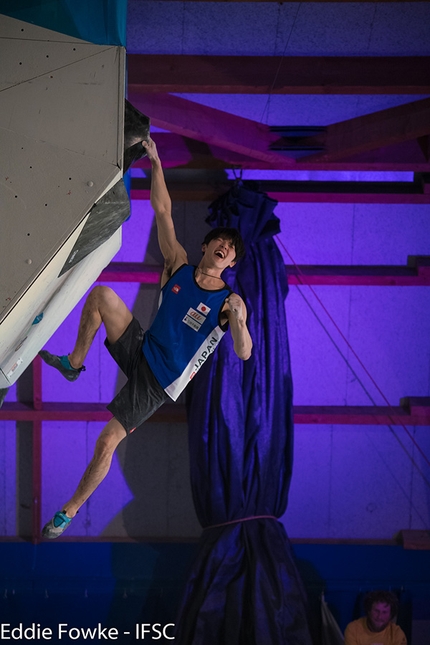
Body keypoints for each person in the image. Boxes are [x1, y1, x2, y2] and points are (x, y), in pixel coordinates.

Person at [40, 137, 252, 539]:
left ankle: (68, 511)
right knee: (101, 295)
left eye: (232, 251)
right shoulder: (179, 264)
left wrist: (239, 322)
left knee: (106, 443)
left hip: (159, 381)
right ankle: (74, 365)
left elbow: (243, 353)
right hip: (141, 346)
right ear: (206, 246)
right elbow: (163, 210)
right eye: (221, 243)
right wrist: (155, 162)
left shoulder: (229, 302)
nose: (225, 248)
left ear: (232, 264)